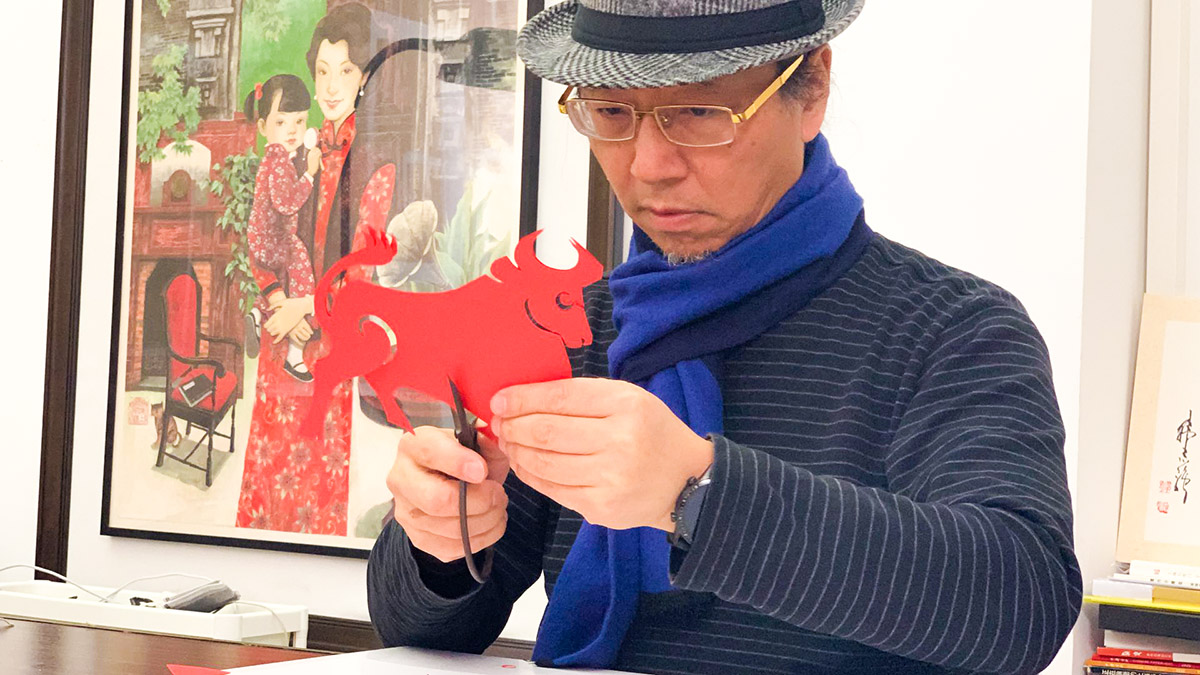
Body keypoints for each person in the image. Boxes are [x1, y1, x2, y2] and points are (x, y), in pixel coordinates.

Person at [366, 1, 1083, 673]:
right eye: (612, 112)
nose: (647, 165)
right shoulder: (577, 329)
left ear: (812, 88)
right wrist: (436, 536)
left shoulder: (953, 329)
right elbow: (420, 629)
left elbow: (1022, 601)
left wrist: (696, 491)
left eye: (699, 112)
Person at [235, 2, 395, 536]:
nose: (330, 86)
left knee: (315, 479)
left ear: (365, 77)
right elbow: (264, 233)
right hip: (282, 327)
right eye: (323, 70)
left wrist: (305, 307)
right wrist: (276, 302)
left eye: (345, 70)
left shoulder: (375, 159)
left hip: (329, 339)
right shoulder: (292, 149)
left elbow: (364, 267)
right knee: (268, 470)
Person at [242, 74, 322, 382]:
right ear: (263, 127)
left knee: (281, 285)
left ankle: (257, 313)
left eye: (299, 121)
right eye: (281, 122)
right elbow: (286, 203)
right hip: (276, 242)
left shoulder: (272, 159)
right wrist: (310, 175)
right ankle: (295, 356)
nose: (292, 130)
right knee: (304, 282)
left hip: (261, 243)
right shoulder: (280, 163)